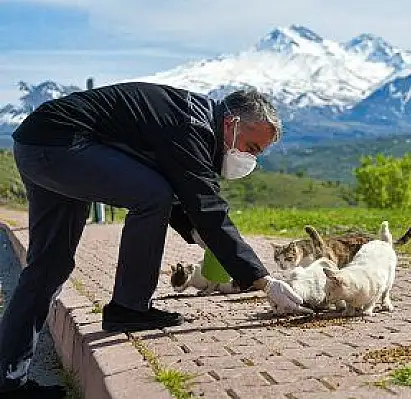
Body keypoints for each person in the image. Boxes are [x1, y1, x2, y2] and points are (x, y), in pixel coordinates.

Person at [0, 82, 311, 398]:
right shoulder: (192, 127)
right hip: (62, 145)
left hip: (38, 143)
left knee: (49, 266)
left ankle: (8, 381)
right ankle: (129, 308)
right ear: (231, 124)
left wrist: (197, 234)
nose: (251, 158)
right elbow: (206, 208)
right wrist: (265, 282)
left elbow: (184, 191)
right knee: (152, 196)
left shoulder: (196, 120)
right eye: (252, 147)